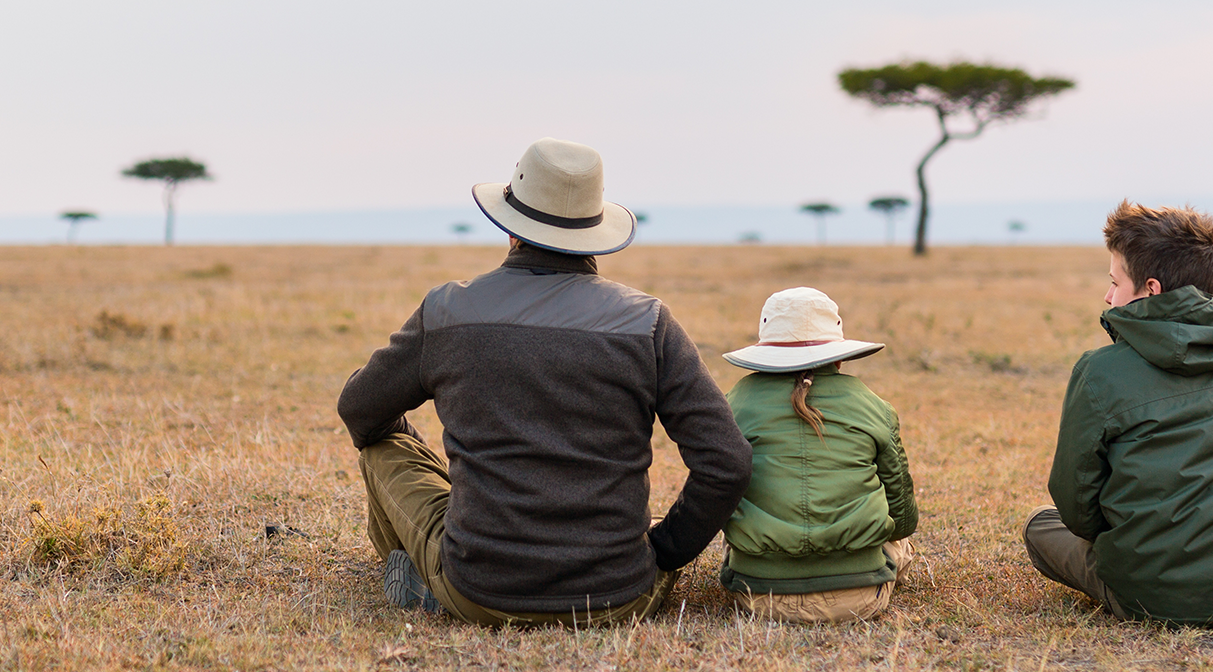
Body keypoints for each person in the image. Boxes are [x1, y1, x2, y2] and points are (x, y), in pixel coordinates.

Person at [337, 137, 752, 626]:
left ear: (510, 229)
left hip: (479, 588)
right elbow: (726, 462)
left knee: (383, 446)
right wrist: (663, 550)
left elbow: (359, 410)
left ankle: (418, 577)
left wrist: (425, 449)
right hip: (620, 597)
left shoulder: (448, 309)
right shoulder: (648, 323)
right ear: (596, 233)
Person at [1024, 201, 1213, 623]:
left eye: (1115, 282)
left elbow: (1074, 501)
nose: (1108, 296)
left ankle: (1152, 579)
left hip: (1143, 592)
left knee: (1040, 526)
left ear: (1152, 289)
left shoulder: (1098, 371)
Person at [718, 287, 919, 623]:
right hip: (860, 595)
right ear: (838, 354)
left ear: (765, 348)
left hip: (759, 595)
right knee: (901, 547)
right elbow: (904, 520)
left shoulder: (734, 403)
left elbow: (715, 495)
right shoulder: (873, 405)